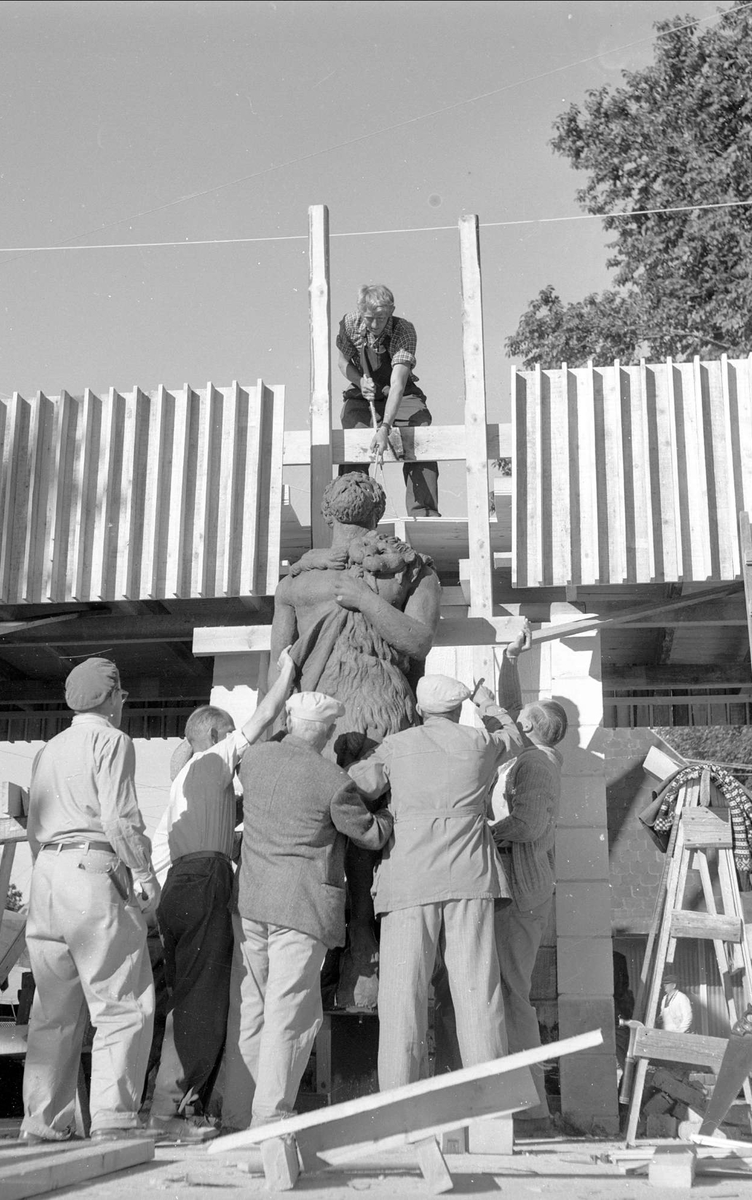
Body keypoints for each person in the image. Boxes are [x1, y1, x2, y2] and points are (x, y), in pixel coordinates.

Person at [269, 471, 441, 1009]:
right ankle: (371, 960)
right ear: (380, 515)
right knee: (382, 835)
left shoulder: (297, 581)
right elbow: (418, 642)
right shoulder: (411, 569)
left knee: (322, 837)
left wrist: (269, 738)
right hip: (384, 714)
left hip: (320, 720)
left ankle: (334, 961)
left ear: (327, 513)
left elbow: (276, 673)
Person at [218, 692, 394, 1130]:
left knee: (251, 1009)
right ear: (330, 731)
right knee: (290, 1012)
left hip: (252, 903)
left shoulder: (254, 761)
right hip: (302, 909)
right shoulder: (333, 781)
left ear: (292, 721)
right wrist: (388, 815)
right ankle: (271, 1117)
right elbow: (369, 836)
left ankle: (238, 1114)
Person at [148, 648, 298, 1141]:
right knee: (203, 1003)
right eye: (231, 736)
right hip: (204, 881)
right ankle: (173, 1111)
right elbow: (267, 714)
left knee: (185, 998)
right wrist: (287, 674)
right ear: (214, 736)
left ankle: (175, 1103)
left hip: (174, 889)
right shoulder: (215, 757)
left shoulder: (182, 784)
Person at [349, 674, 525, 1089]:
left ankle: (400, 1104)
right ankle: (490, 1110)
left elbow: (352, 787)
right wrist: (487, 703)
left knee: (402, 997)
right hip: (471, 878)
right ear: (459, 709)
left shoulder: (396, 747)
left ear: (418, 710)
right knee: (478, 992)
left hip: (409, 879)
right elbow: (514, 736)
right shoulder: (480, 743)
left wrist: (379, 822)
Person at [20, 657, 159, 1143]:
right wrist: (145, 876)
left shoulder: (49, 749)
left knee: (52, 1010)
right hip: (92, 866)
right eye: (121, 695)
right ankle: (113, 1120)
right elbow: (120, 818)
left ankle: (43, 1121)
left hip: (46, 874)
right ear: (111, 695)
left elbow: (35, 826)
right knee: (120, 1000)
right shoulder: (113, 740)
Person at [435, 633, 568, 1134]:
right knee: (496, 991)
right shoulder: (526, 750)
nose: (516, 720)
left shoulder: (534, 764)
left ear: (533, 729)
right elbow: (511, 712)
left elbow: (529, 826)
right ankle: (504, 1099)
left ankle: (531, 1108)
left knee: (511, 993)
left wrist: (481, 831)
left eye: (522, 719)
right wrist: (509, 662)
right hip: (511, 889)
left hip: (521, 891)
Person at [336, 283, 440, 517]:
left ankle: (423, 513)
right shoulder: (350, 324)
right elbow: (342, 362)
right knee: (355, 439)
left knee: (420, 433)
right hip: (363, 394)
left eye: (381, 318)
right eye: (370, 318)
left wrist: (384, 428)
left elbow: (397, 385)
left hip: (400, 394)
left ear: (391, 311)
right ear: (361, 312)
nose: (375, 324)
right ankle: (350, 515)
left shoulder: (404, 331)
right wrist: (359, 382)